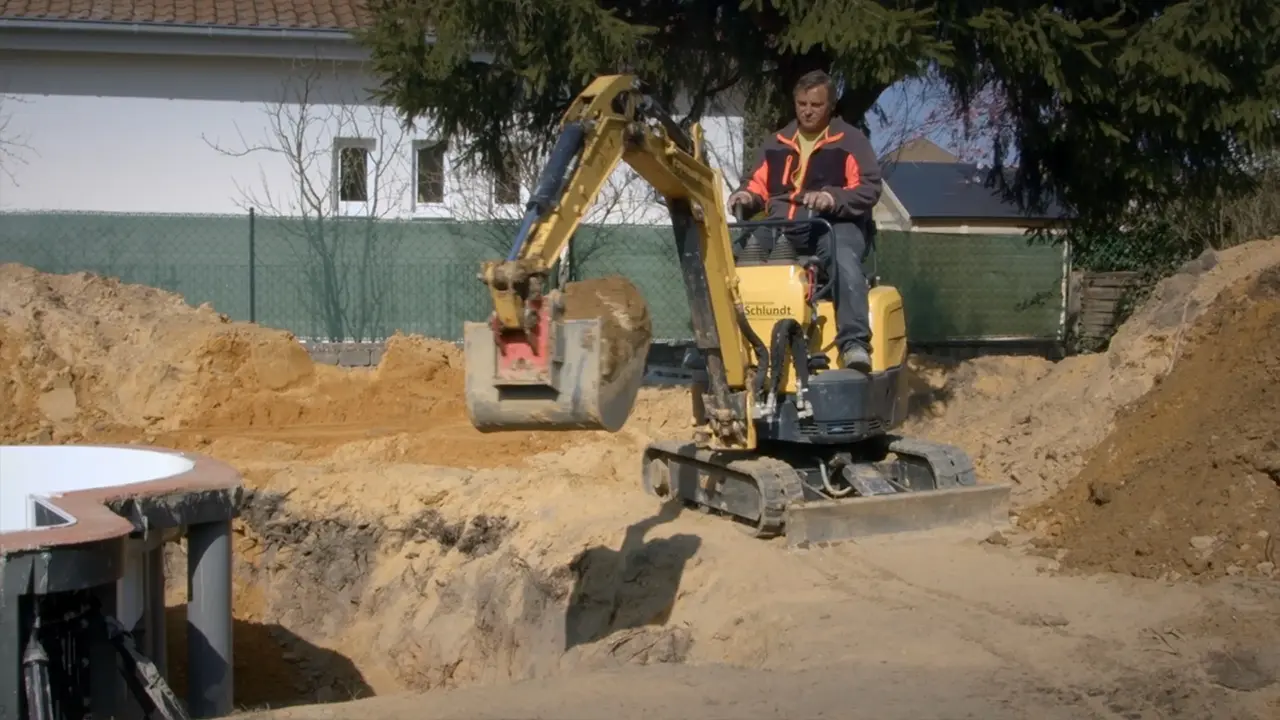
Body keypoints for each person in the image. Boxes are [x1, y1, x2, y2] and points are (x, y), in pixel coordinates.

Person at [728, 70, 883, 374]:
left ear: (830, 107)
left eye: (815, 105)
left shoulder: (851, 141)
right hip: (781, 225)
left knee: (844, 260)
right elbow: (757, 184)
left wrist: (832, 198)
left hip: (833, 225)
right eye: (802, 104)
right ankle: (727, 342)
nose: (807, 111)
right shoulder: (776, 143)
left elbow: (868, 188)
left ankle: (853, 344)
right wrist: (745, 196)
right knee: (731, 258)